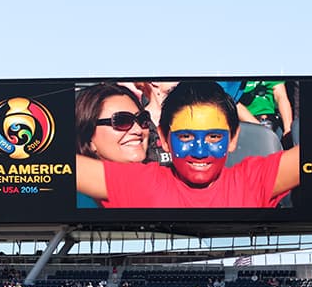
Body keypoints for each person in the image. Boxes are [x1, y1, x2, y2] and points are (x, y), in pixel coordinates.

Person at [76, 80, 300, 209]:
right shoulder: (140, 182)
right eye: (185, 137)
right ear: (164, 138)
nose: (200, 151)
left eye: (214, 137)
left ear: (233, 139)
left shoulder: (253, 179)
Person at [74, 83, 150, 208]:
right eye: (121, 121)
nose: (138, 130)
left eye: (142, 119)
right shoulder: (78, 201)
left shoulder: (166, 180)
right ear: (89, 139)